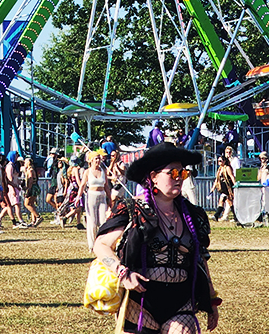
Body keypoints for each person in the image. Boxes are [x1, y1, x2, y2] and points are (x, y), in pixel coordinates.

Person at [93, 142, 221, 333]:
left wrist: (211, 299)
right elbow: (101, 245)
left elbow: (200, 259)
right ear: (153, 177)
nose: (180, 178)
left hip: (181, 303)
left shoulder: (193, 215)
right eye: (173, 173)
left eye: (183, 173)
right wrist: (122, 273)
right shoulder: (132, 210)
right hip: (139, 302)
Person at [77, 150, 112, 248]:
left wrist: (110, 198)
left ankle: (102, 242)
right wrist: (78, 197)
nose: (98, 160)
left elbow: (106, 186)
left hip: (102, 195)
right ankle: (92, 245)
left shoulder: (103, 170)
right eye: (96, 159)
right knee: (92, 221)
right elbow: (82, 185)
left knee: (103, 220)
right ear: (91, 160)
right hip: (91, 195)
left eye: (99, 158)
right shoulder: (87, 172)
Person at [212, 156, 235, 222]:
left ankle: (216, 215)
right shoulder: (220, 169)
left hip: (227, 187)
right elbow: (217, 179)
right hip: (223, 187)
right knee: (229, 202)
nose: (219, 162)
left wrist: (235, 185)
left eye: (220, 161)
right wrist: (213, 187)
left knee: (222, 200)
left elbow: (232, 176)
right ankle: (236, 217)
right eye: (218, 161)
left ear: (224, 161)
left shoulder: (227, 168)